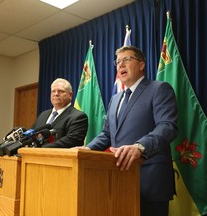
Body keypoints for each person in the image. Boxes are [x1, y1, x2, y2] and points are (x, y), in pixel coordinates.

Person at [77, 46, 178, 216]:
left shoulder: (159, 89)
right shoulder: (115, 99)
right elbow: (107, 134)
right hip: (119, 180)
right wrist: (86, 149)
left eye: (126, 60)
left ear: (141, 65)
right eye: (118, 62)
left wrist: (140, 147)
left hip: (150, 180)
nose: (120, 65)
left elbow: (168, 126)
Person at [32, 78, 88, 148]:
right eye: (53, 91)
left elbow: (72, 141)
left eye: (61, 91)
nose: (56, 94)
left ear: (70, 95)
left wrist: (41, 149)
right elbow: (32, 135)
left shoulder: (78, 117)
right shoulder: (43, 115)